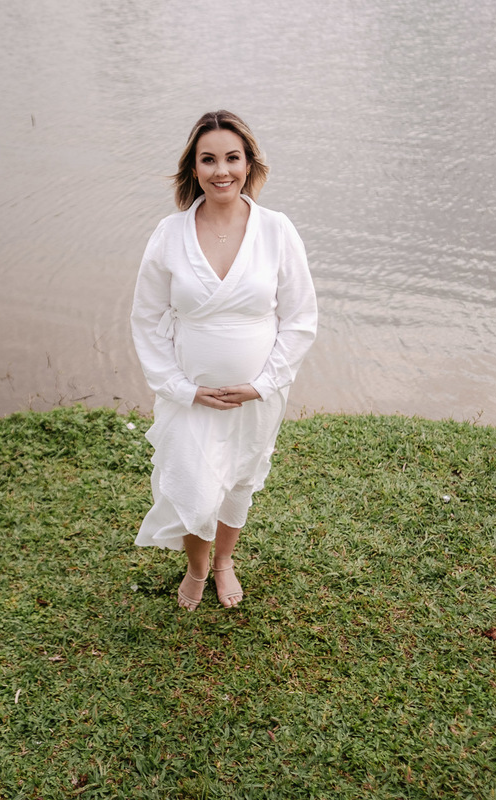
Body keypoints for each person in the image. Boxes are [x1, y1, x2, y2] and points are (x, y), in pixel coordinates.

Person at [130, 110, 317, 611]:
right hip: (190, 394)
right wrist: (181, 388)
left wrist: (264, 384)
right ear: (193, 168)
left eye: (232, 158)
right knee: (193, 483)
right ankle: (196, 567)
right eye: (208, 159)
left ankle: (224, 561)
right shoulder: (169, 233)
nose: (221, 171)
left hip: (256, 395)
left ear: (248, 163)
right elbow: (145, 318)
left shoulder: (276, 230)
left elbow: (300, 317)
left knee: (239, 479)